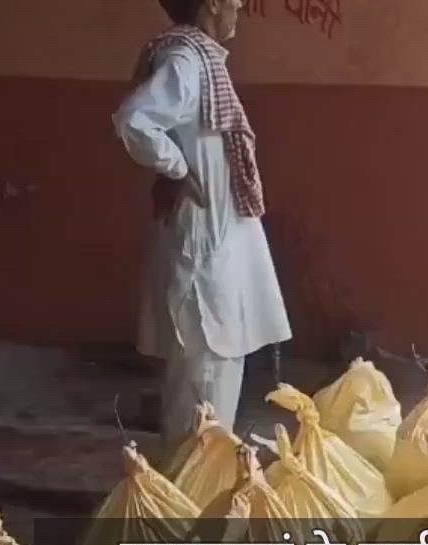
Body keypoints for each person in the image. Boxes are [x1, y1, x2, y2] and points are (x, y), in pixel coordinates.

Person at [114, 0, 291, 450]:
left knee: (218, 361)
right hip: (204, 235)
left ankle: (202, 482)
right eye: (233, 1)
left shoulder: (200, 58)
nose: (239, 8)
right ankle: (192, 494)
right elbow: (134, 120)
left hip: (219, 232)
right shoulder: (186, 60)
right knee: (205, 367)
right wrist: (177, 166)